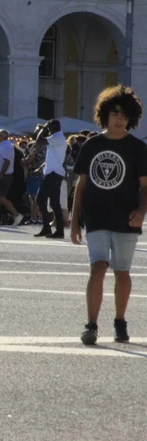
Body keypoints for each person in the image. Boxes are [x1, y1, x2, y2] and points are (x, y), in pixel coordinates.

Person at [71, 85, 147, 346]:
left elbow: (145, 187)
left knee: (122, 271)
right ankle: (91, 324)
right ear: (105, 114)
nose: (120, 118)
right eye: (115, 112)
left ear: (132, 117)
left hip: (126, 217)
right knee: (98, 266)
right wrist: (73, 222)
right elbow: (81, 186)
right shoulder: (92, 145)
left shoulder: (138, 148)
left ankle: (120, 320)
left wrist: (141, 211)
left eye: (125, 114)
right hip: (96, 216)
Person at [34, 120, 68, 239]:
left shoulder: (57, 138)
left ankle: (47, 228)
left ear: (51, 128)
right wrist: (41, 168)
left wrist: (42, 129)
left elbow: (39, 141)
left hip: (53, 174)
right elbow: (52, 157)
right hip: (54, 173)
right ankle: (59, 231)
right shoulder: (57, 138)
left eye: (49, 128)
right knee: (54, 204)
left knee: (40, 200)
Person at [0, 130, 24, 226]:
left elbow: (6, 161)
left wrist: (2, 173)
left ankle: (16, 214)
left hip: (4, 175)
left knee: (1, 197)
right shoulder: (2, 145)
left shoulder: (6, 146)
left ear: (2, 136)